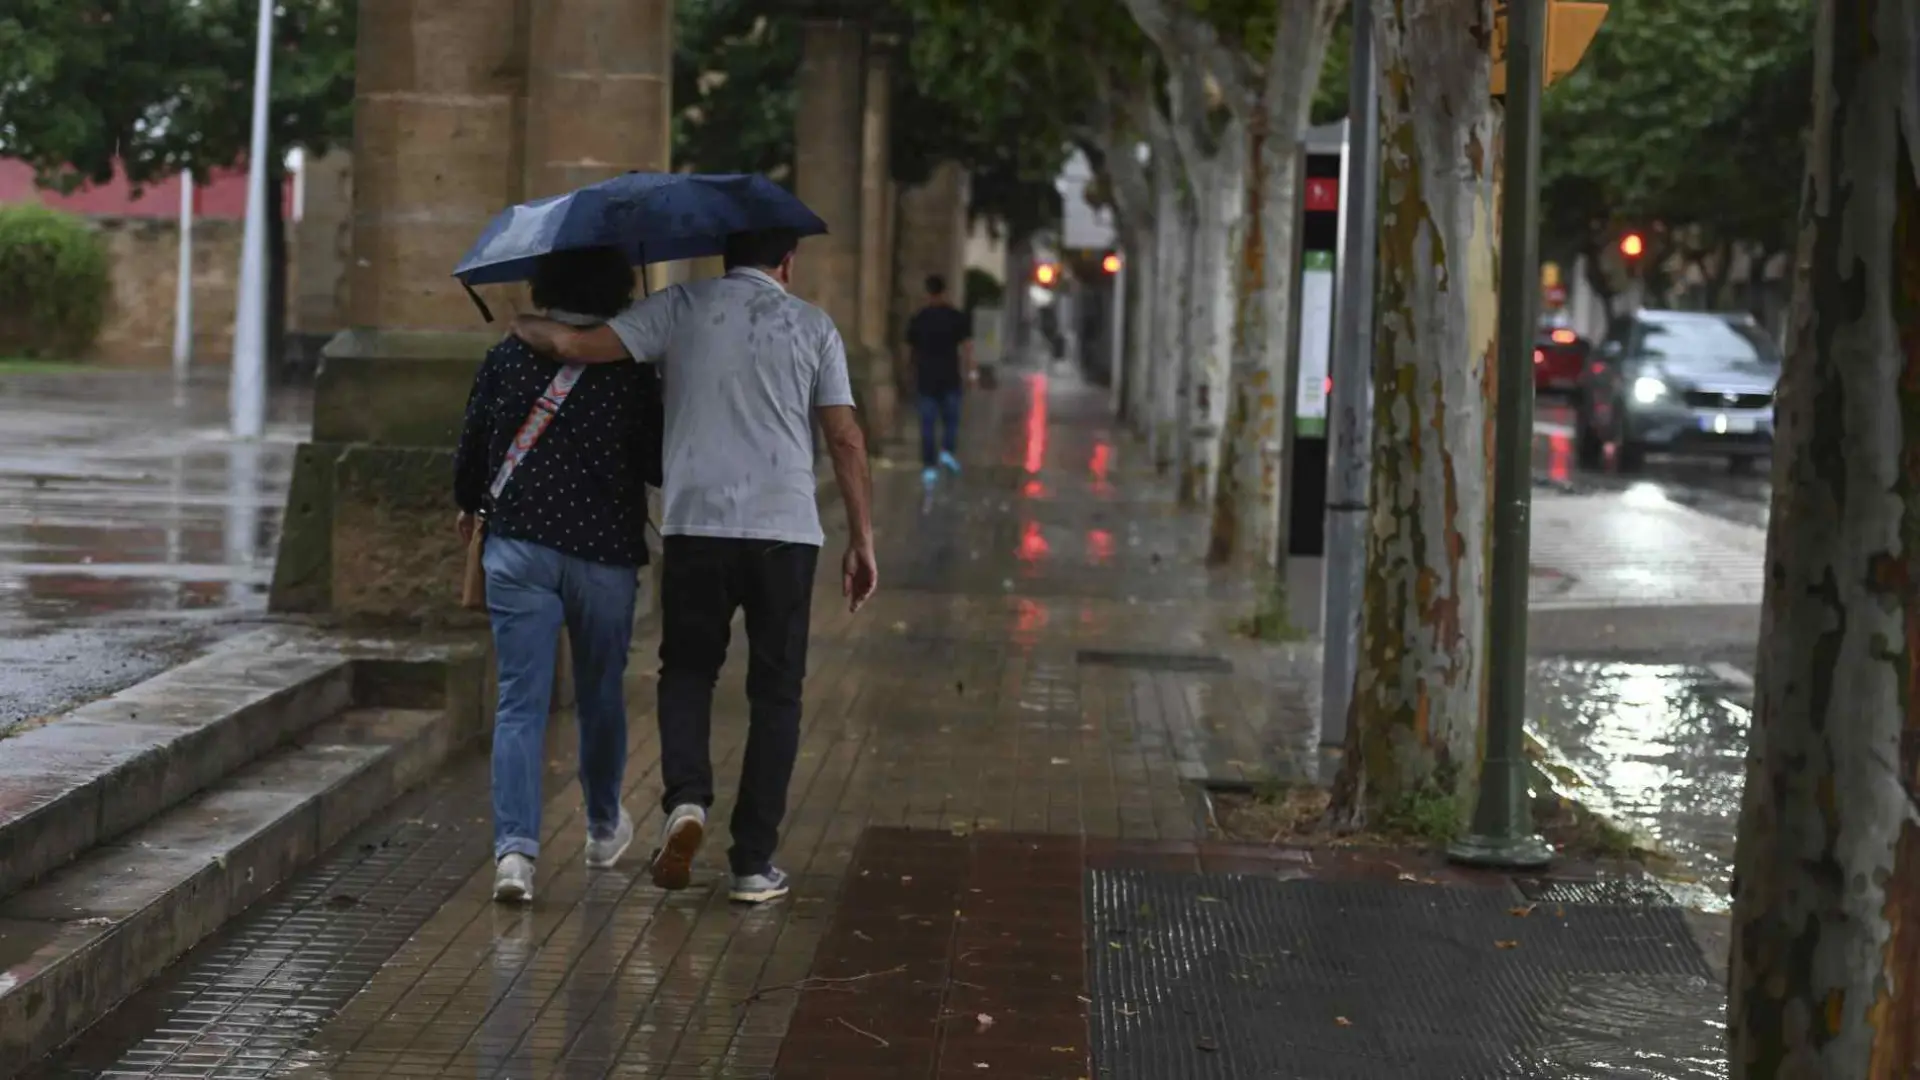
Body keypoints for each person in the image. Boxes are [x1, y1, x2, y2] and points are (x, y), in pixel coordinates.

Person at [510, 227, 877, 905]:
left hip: (696, 526)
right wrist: (862, 537)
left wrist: (523, 323)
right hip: (785, 532)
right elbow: (845, 437)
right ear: (787, 261)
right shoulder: (813, 325)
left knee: (686, 670)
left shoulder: (677, 308)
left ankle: (685, 799)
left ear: (722, 253)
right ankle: (752, 863)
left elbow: (574, 346)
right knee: (777, 694)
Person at [453, 246, 665, 904]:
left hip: (519, 547)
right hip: (603, 554)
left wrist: (470, 503)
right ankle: (602, 825)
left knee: (521, 701)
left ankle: (515, 853)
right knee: (601, 693)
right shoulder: (630, 369)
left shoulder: (508, 356)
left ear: (546, 284)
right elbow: (657, 462)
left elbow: (474, 447)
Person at [904, 274, 974, 485]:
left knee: (927, 424)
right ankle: (947, 452)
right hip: (950, 378)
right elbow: (967, 348)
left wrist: (909, 373)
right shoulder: (956, 317)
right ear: (944, 292)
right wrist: (971, 372)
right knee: (951, 421)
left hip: (926, 379)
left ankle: (929, 464)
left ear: (927, 293)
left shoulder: (919, 318)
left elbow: (910, 350)